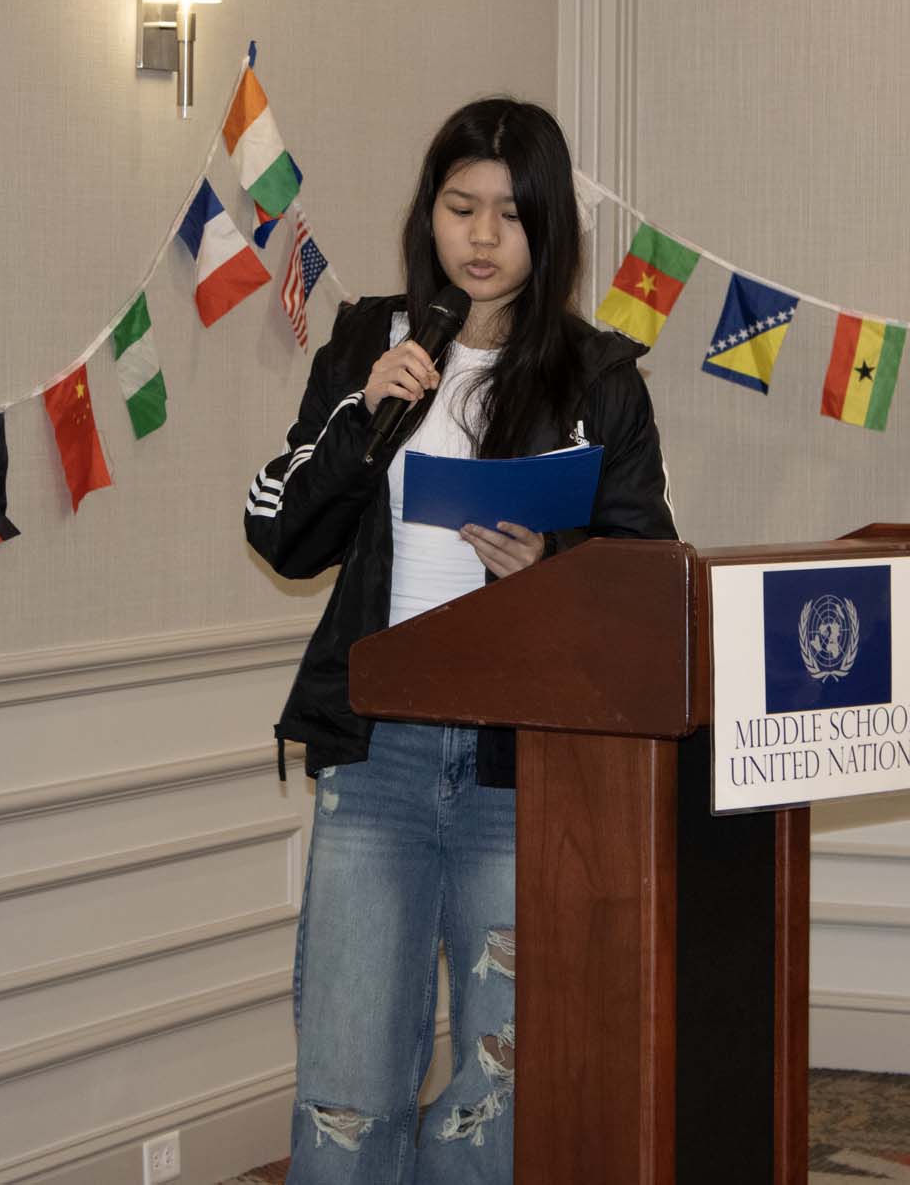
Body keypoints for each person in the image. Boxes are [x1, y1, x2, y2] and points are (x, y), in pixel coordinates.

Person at [244, 97, 677, 1183]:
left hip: (519, 771)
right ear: (427, 213)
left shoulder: (597, 377)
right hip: (375, 756)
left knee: (501, 1094)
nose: (482, 237)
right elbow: (282, 534)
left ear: (549, 228)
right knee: (347, 1085)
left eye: (511, 214)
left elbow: (649, 585)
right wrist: (359, 419)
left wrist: (550, 573)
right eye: (459, 206)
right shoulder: (367, 341)